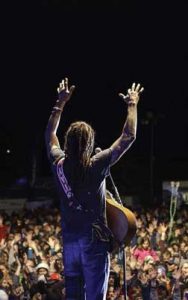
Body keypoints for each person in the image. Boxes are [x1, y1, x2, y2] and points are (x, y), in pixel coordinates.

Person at [45, 77, 144, 300]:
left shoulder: (58, 163)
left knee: (73, 295)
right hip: (94, 243)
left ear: (67, 142)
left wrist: (59, 104)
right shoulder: (96, 165)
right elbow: (128, 137)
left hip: (69, 241)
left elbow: (50, 135)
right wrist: (132, 105)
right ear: (90, 145)